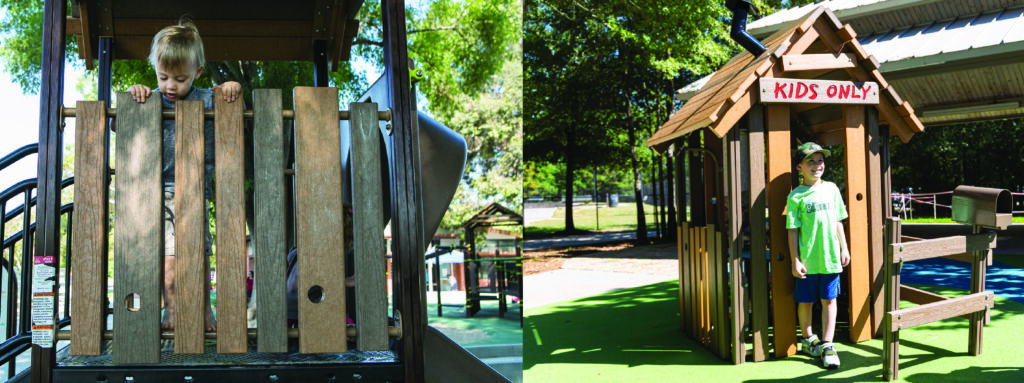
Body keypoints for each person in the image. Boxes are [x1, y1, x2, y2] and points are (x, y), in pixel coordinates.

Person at [127, 19, 242, 332]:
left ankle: (206, 312)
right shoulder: (149, 99)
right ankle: (173, 311)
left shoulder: (206, 99)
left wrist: (231, 90)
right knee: (169, 257)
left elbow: (236, 112)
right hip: (159, 191)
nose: (170, 86)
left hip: (194, 191)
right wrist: (133, 94)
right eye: (162, 77)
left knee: (199, 255)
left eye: (180, 78)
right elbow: (118, 124)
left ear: (198, 72)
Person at [786, 142, 850, 369]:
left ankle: (827, 344)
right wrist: (795, 259)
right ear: (799, 167)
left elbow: (838, 221)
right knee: (806, 301)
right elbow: (792, 230)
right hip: (807, 261)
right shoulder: (795, 196)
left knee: (829, 300)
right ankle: (808, 338)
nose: (817, 165)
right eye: (810, 161)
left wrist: (844, 248)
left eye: (820, 160)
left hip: (831, 258)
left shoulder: (832, 189)